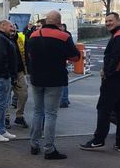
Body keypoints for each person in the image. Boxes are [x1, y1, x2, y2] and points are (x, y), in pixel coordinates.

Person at [25, 10, 80, 160]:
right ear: (59, 22)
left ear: (46, 21)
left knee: (37, 112)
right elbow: (76, 56)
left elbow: (29, 54)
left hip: (36, 78)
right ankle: (49, 149)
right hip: (55, 80)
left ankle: (34, 145)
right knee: (50, 114)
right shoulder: (64, 36)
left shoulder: (34, 35)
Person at [80, 12, 120, 153]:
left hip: (115, 81)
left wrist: (108, 73)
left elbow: (119, 59)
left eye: (110, 20)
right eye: (106, 21)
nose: (108, 23)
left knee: (103, 109)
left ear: (118, 20)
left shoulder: (119, 37)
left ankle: (98, 140)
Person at [6, 24, 29, 129]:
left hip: (20, 72)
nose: (12, 32)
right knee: (6, 96)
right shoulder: (2, 40)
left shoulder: (20, 39)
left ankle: (19, 116)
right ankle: (5, 117)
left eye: (14, 30)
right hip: (6, 73)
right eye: (10, 30)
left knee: (24, 94)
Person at [59, 23, 73, 108]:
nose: (61, 28)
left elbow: (71, 50)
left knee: (63, 82)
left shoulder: (66, 35)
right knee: (63, 82)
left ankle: (64, 99)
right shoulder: (64, 35)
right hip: (62, 61)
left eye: (62, 26)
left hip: (62, 61)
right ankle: (65, 99)